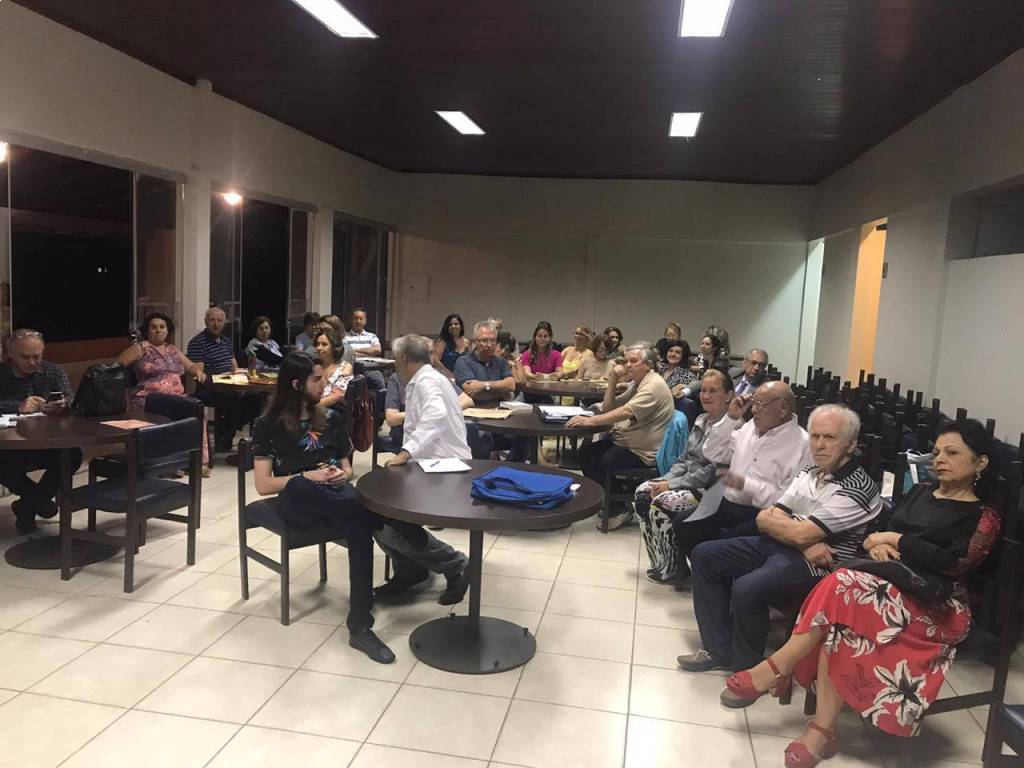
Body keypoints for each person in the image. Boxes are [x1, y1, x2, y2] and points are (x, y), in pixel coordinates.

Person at [721, 419, 1000, 767]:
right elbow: (876, 530)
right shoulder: (921, 492)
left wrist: (896, 541)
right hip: (886, 588)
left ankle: (778, 669)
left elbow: (953, 563)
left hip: (936, 606)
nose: (940, 459)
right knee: (840, 620)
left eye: (953, 453)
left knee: (842, 584)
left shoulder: (982, 515)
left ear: (980, 462)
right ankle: (821, 730)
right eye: (937, 452)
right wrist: (876, 543)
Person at [679, 405, 882, 688]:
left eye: (830, 438)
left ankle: (748, 670)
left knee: (748, 587)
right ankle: (719, 650)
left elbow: (798, 531)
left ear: (850, 444)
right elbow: (766, 517)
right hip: (791, 549)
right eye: (815, 436)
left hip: (822, 568)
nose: (819, 445)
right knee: (705, 555)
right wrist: (801, 539)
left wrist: (796, 533)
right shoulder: (810, 471)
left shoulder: (859, 488)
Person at [250, 351, 393, 663]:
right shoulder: (267, 425)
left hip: (338, 500)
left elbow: (348, 467)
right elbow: (263, 485)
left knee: (359, 523)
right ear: (297, 384)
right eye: (317, 380)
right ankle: (377, 513)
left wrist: (342, 474)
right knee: (306, 488)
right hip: (298, 501)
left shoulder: (331, 418)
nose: (324, 385)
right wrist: (307, 476)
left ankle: (359, 626)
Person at [672, 381, 811, 587]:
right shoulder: (749, 427)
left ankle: (718, 579)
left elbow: (790, 500)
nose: (753, 410)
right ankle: (708, 577)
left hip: (763, 515)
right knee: (684, 523)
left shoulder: (802, 444)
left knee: (719, 545)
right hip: (727, 502)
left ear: (783, 409)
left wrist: (746, 484)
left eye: (760, 405)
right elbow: (712, 452)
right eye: (753, 403)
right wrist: (731, 418)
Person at [370, 335, 471, 602]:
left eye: (395, 359)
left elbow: (435, 416)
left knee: (388, 522)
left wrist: (406, 452)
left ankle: (456, 564)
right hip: (432, 465)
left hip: (444, 469)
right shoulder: (429, 378)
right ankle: (411, 569)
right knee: (378, 514)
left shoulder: (428, 381)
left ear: (403, 358)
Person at [633, 368, 733, 582]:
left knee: (660, 503)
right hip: (687, 481)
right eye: (703, 390)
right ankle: (661, 562)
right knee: (643, 492)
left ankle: (673, 568)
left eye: (713, 391)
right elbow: (684, 459)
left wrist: (671, 486)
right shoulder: (701, 419)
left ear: (729, 395)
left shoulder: (733, 428)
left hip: (709, 490)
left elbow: (710, 472)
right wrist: (666, 479)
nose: (706, 395)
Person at [0, 329, 79, 533]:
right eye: (25, 357)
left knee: (72, 455)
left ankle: (27, 507)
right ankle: (39, 503)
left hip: (46, 439)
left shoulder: (53, 371)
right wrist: (18, 406)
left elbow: (72, 399)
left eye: (37, 356)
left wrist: (63, 404)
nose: (32, 362)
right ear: (11, 354)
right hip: (9, 445)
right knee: (4, 465)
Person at [568, 343, 675, 486]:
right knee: (586, 453)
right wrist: (613, 379)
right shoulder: (637, 383)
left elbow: (625, 411)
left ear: (648, 365)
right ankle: (610, 492)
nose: (628, 365)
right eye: (626, 361)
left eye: (634, 361)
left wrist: (589, 421)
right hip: (627, 443)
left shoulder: (653, 385)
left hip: (643, 452)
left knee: (605, 459)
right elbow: (608, 408)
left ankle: (616, 494)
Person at [117, 312, 210, 474]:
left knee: (198, 411)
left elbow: (190, 366)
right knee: (179, 411)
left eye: (162, 327)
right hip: (148, 399)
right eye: (153, 327)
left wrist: (198, 372)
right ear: (147, 331)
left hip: (176, 398)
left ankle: (193, 462)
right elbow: (115, 366)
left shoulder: (172, 349)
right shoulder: (140, 348)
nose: (158, 330)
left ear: (168, 331)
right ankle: (168, 464)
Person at [188, 306, 259, 453]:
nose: (216, 324)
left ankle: (231, 435)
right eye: (212, 320)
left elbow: (234, 367)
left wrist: (242, 378)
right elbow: (199, 375)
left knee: (255, 397)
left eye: (219, 320)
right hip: (208, 388)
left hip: (230, 384)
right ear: (206, 322)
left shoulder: (226, 341)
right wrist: (225, 380)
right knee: (232, 399)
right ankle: (226, 438)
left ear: (224, 322)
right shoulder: (197, 342)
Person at [455, 321, 527, 460]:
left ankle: (510, 467)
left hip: (499, 415)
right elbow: (472, 392)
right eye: (484, 340)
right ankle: (482, 470)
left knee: (525, 434)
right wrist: (500, 389)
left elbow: (511, 385)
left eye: (492, 340)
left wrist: (484, 386)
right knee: (482, 437)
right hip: (475, 419)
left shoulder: (499, 362)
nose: (489, 345)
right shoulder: (464, 362)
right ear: (475, 341)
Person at [684, 347, 768, 400]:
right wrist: (685, 391)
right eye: (753, 363)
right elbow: (706, 381)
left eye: (761, 365)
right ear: (745, 363)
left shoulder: (765, 387)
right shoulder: (732, 372)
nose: (756, 368)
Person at [313, 329, 352, 409]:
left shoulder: (345, 367)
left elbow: (337, 396)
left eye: (324, 344)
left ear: (334, 347)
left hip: (334, 409)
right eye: (317, 344)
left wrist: (310, 408)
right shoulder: (313, 365)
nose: (319, 348)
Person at [432, 313, 470, 381]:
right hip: (446, 378)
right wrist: (450, 375)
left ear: (461, 326)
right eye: (450, 325)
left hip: (463, 378)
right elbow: (435, 360)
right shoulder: (442, 341)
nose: (453, 326)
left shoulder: (466, 341)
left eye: (456, 324)